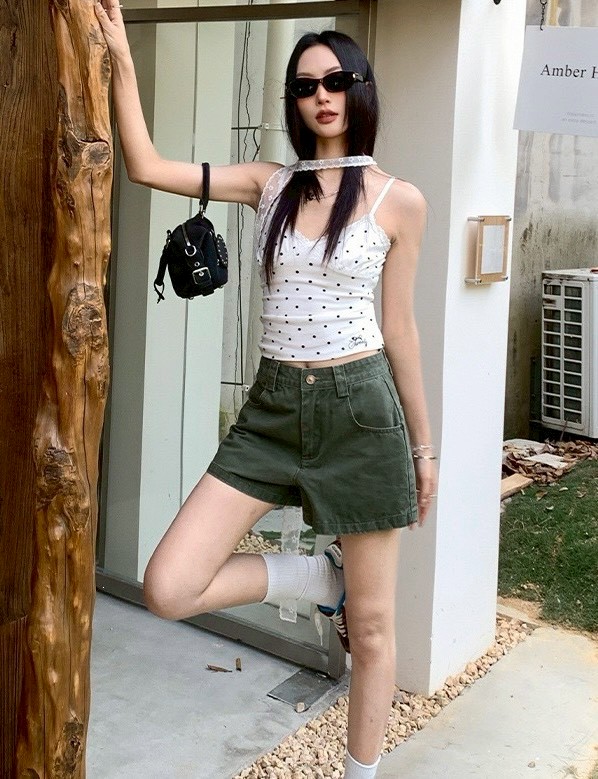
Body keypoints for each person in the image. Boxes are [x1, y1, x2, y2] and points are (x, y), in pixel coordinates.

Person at [95, 3, 439, 777]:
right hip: (273, 408)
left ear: (359, 90)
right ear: (294, 101)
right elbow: (146, 165)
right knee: (168, 585)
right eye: (306, 85)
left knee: (372, 628)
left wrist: (425, 449)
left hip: (361, 411)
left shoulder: (399, 199)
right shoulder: (269, 184)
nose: (322, 96)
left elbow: (402, 329)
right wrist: (122, 55)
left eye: (336, 81)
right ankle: (312, 575)